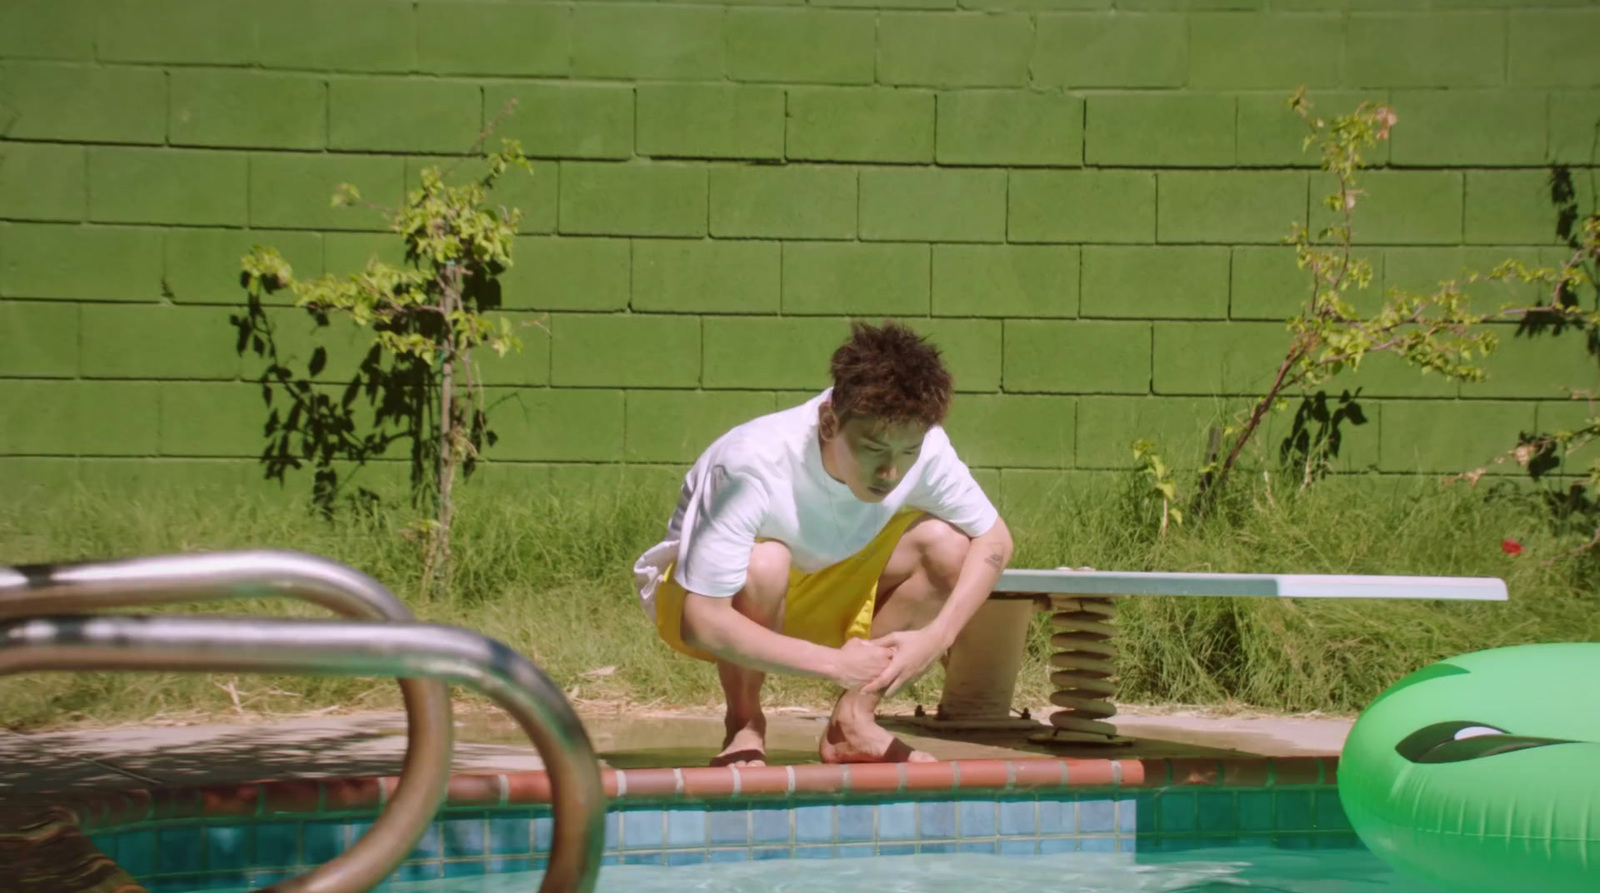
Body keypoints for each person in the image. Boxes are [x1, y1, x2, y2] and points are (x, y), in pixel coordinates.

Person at [631, 320, 1013, 765]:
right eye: (872, 449)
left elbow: (995, 539)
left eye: (905, 454)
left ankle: (851, 723)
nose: (890, 472)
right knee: (766, 561)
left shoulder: (922, 446)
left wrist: (937, 636)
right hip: (704, 603)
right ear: (830, 422)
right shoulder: (751, 464)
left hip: (818, 590)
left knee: (946, 545)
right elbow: (703, 620)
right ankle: (744, 724)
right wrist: (834, 663)